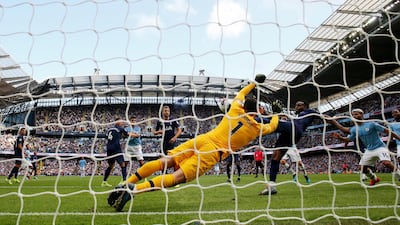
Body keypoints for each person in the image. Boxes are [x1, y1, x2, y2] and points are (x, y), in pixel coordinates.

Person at [107, 74, 279, 211]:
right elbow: (272, 125)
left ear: (244, 107)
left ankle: (125, 182)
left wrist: (254, 83)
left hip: (202, 139)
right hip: (214, 152)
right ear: (257, 111)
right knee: (176, 177)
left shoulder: (234, 109)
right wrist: (277, 113)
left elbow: (241, 94)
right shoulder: (258, 128)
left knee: (164, 162)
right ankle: (133, 190)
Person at [259, 101, 318, 195]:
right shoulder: (296, 116)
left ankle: (250, 119)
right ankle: (272, 186)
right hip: (291, 133)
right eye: (296, 105)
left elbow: (326, 118)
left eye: (299, 105)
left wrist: (340, 127)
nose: (297, 106)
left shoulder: (310, 111)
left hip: (294, 129)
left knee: (272, 123)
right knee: (275, 157)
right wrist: (267, 113)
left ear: (305, 106)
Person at [331, 108, 400, 186]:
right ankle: (374, 179)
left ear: (362, 115)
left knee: (386, 163)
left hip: (380, 147)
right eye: (353, 115)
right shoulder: (354, 129)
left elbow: (388, 131)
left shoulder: (371, 124)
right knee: (362, 168)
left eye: (356, 114)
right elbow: (349, 139)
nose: (354, 116)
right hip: (369, 150)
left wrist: (398, 138)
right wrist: (339, 137)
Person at [102, 118, 129, 187]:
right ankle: (124, 180)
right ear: (117, 122)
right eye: (121, 121)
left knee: (111, 166)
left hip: (109, 148)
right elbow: (126, 135)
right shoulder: (120, 128)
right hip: (116, 148)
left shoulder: (109, 129)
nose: (122, 123)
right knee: (123, 164)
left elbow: (107, 137)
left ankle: (104, 181)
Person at [389, 108, 400, 179]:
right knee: (399, 158)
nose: (394, 114)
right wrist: (389, 141)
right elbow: (391, 133)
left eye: (396, 112)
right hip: (399, 143)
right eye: (393, 113)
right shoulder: (392, 124)